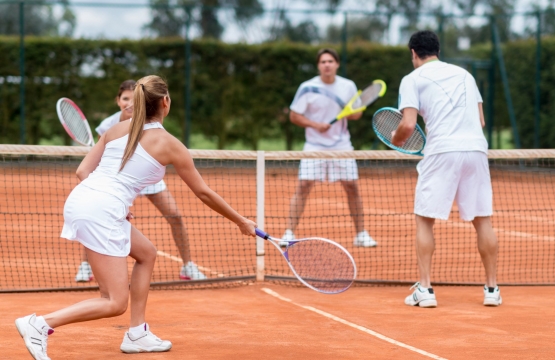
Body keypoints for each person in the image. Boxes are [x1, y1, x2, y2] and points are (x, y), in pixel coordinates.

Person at [16, 75, 256, 359]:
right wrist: (242, 220)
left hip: (86, 201)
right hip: (101, 210)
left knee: (147, 254)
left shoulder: (116, 129)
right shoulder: (170, 144)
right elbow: (203, 193)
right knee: (114, 302)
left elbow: (82, 172)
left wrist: (116, 204)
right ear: (165, 102)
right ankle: (40, 324)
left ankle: (137, 333)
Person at [391, 30, 501, 308]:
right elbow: (481, 120)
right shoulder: (465, 75)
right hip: (476, 149)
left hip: (442, 152)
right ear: (437, 50)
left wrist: (394, 140)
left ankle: (425, 289)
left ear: (413, 53)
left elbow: (407, 125)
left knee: (425, 220)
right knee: (482, 219)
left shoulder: (411, 79)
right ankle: (492, 290)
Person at [74, 79, 207, 282]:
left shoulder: (153, 126)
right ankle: (86, 266)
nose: (129, 103)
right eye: (125, 99)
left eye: (133, 99)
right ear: (118, 101)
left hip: (147, 174)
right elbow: (99, 160)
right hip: (118, 181)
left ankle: (188, 265)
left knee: (175, 215)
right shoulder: (108, 126)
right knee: (99, 217)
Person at [282, 48, 376, 248]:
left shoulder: (348, 86)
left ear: (337, 64)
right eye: (323, 61)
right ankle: (289, 233)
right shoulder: (307, 87)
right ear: (318, 65)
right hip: (314, 146)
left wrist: (349, 114)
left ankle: (361, 234)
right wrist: (316, 125)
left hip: (341, 145)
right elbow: (294, 115)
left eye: (331, 61)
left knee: (352, 187)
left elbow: (357, 114)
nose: (327, 65)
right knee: (303, 186)